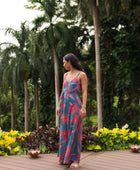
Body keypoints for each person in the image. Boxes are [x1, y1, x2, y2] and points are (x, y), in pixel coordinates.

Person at [56, 53, 88, 169]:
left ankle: (75, 160)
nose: (63, 64)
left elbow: (84, 92)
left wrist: (83, 107)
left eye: (64, 62)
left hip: (75, 106)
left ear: (70, 62)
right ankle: (64, 157)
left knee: (75, 131)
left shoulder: (81, 75)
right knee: (64, 131)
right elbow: (63, 91)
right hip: (65, 106)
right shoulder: (65, 75)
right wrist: (59, 105)